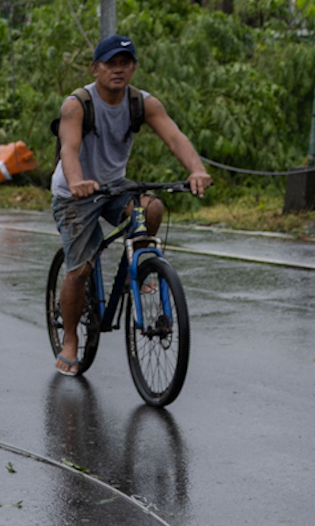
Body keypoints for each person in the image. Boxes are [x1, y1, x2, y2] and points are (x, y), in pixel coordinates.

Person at [51, 34, 212, 377]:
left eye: (125, 63)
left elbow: (174, 137)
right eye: (111, 63)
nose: (118, 70)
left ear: (134, 67)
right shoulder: (77, 104)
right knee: (79, 270)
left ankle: (132, 274)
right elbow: (69, 148)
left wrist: (196, 169)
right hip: (74, 193)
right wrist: (78, 181)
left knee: (152, 207)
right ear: (96, 68)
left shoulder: (143, 103)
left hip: (114, 187)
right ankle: (69, 340)